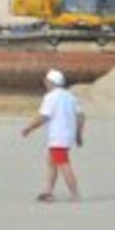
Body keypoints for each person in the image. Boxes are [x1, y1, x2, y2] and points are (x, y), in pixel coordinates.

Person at [21, 69, 85, 202]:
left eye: (46, 81)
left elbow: (44, 116)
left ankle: (75, 194)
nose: (45, 83)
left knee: (63, 164)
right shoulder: (71, 97)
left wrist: (29, 128)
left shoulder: (50, 97)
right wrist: (78, 135)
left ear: (50, 82)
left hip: (58, 137)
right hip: (67, 135)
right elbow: (81, 116)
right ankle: (48, 191)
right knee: (51, 161)